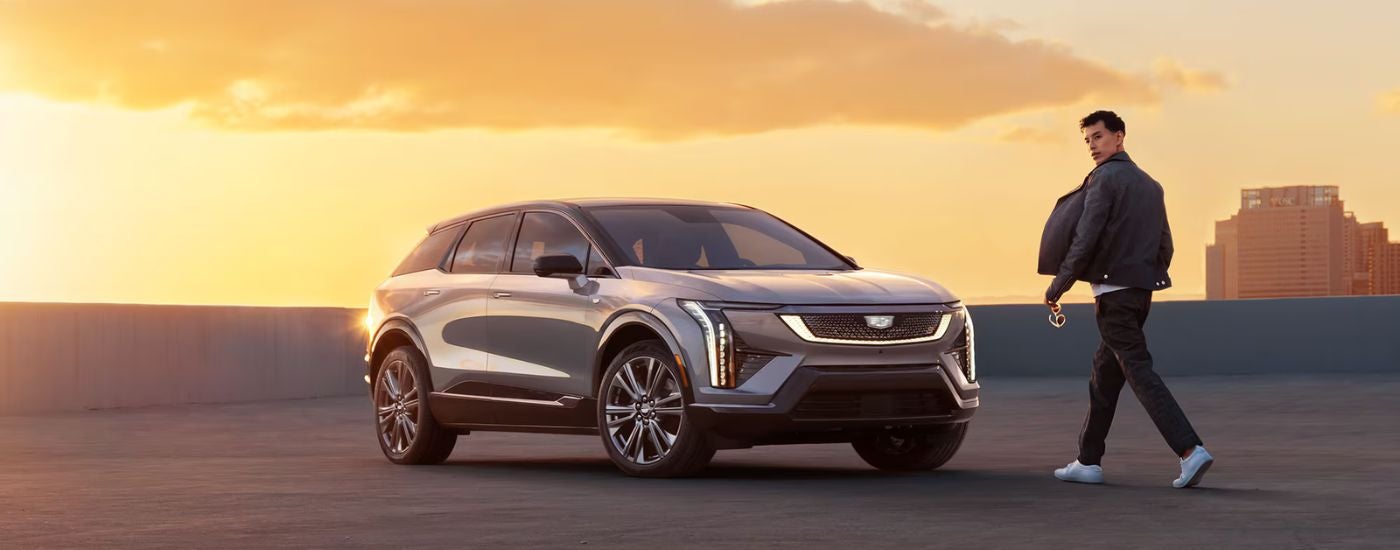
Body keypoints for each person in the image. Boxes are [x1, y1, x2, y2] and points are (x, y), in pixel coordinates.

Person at [1037, 110, 1214, 488]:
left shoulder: (1104, 179)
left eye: (1098, 137)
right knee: (1104, 377)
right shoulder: (1151, 185)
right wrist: (1145, 277)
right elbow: (1165, 243)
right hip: (1139, 292)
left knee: (1138, 370)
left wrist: (1058, 285)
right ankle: (1088, 461)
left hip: (1114, 295)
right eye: (1087, 140)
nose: (1092, 147)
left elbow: (1086, 236)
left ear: (1119, 137)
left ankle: (1189, 450)